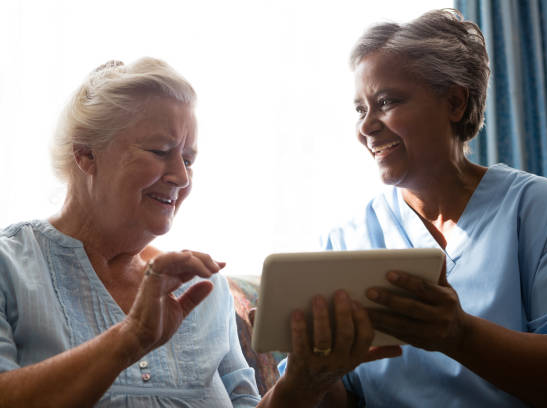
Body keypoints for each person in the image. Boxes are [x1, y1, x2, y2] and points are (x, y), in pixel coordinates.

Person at [0, 58, 398, 407]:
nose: (181, 176)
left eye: (188, 158)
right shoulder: (11, 266)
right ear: (86, 154)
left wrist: (301, 383)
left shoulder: (202, 290)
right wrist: (131, 338)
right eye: (159, 151)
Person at [279, 8, 547, 407]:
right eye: (360, 109)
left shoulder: (534, 208)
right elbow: (343, 398)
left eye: (386, 101)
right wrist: (312, 376)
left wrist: (459, 335)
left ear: (454, 102)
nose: (366, 126)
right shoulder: (346, 240)